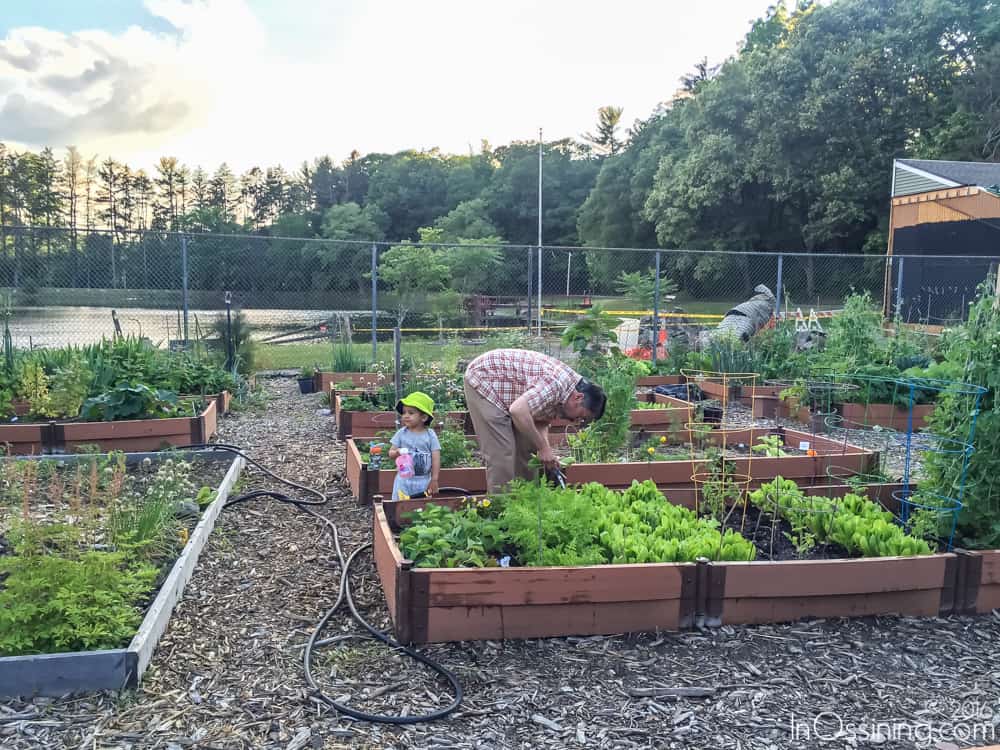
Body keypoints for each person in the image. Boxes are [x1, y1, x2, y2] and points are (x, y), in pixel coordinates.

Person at [463, 348, 606, 493]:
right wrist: (543, 448)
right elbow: (518, 410)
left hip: (510, 395)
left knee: (528, 448)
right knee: (503, 453)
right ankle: (500, 510)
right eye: (581, 416)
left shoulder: (566, 394)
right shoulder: (555, 385)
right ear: (578, 397)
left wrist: (544, 448)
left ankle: (527, 503)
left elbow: (541, 420)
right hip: (485, 379)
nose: (577, 421)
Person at [387, 391, 441, 501]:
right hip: (403, 480)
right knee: (401, 505)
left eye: (411, 413)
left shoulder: (430, 435)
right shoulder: (402, 433)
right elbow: (390, 453)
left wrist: (434, 479)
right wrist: (397, 452)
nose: (405, 416)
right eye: (404, 413)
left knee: (422, 506)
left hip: (424, 480)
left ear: (424, 417)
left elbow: (436, 458)